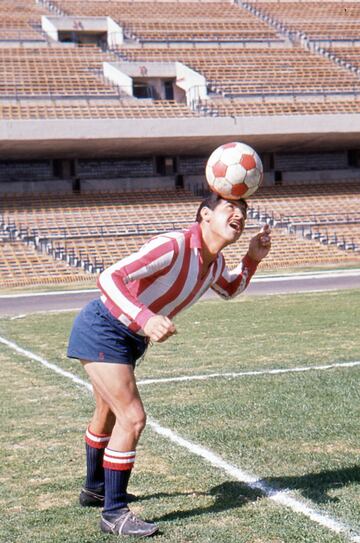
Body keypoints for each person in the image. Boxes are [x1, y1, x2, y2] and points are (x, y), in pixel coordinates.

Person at [67, 192, 271, 538]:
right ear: (205, 215)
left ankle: (94, 489)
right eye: (230, 208)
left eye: (244, 211)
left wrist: (251, 258)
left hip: (127, 338)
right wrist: (146, 318)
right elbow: (109, 278)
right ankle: (113, 513)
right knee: (132, 417)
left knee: (109, 414)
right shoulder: (175, 245)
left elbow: (231, 289)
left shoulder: (216, 264)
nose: (239, 215)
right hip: (103, 326)